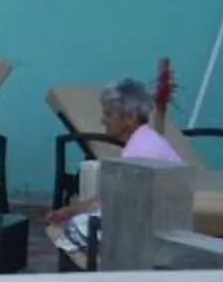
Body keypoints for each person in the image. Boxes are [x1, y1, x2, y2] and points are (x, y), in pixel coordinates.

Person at [48, 76, 182, 269]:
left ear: (129, 118)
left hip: (147, 234)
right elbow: (110, 196)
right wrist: (70, 210)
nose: (103, 120)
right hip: (155, 224)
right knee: (71, 223)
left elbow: (121, 209)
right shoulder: (144, 140)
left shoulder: (140, 152)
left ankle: (101, 272)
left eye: (108, 114)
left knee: (62, 232)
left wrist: (74, 217)